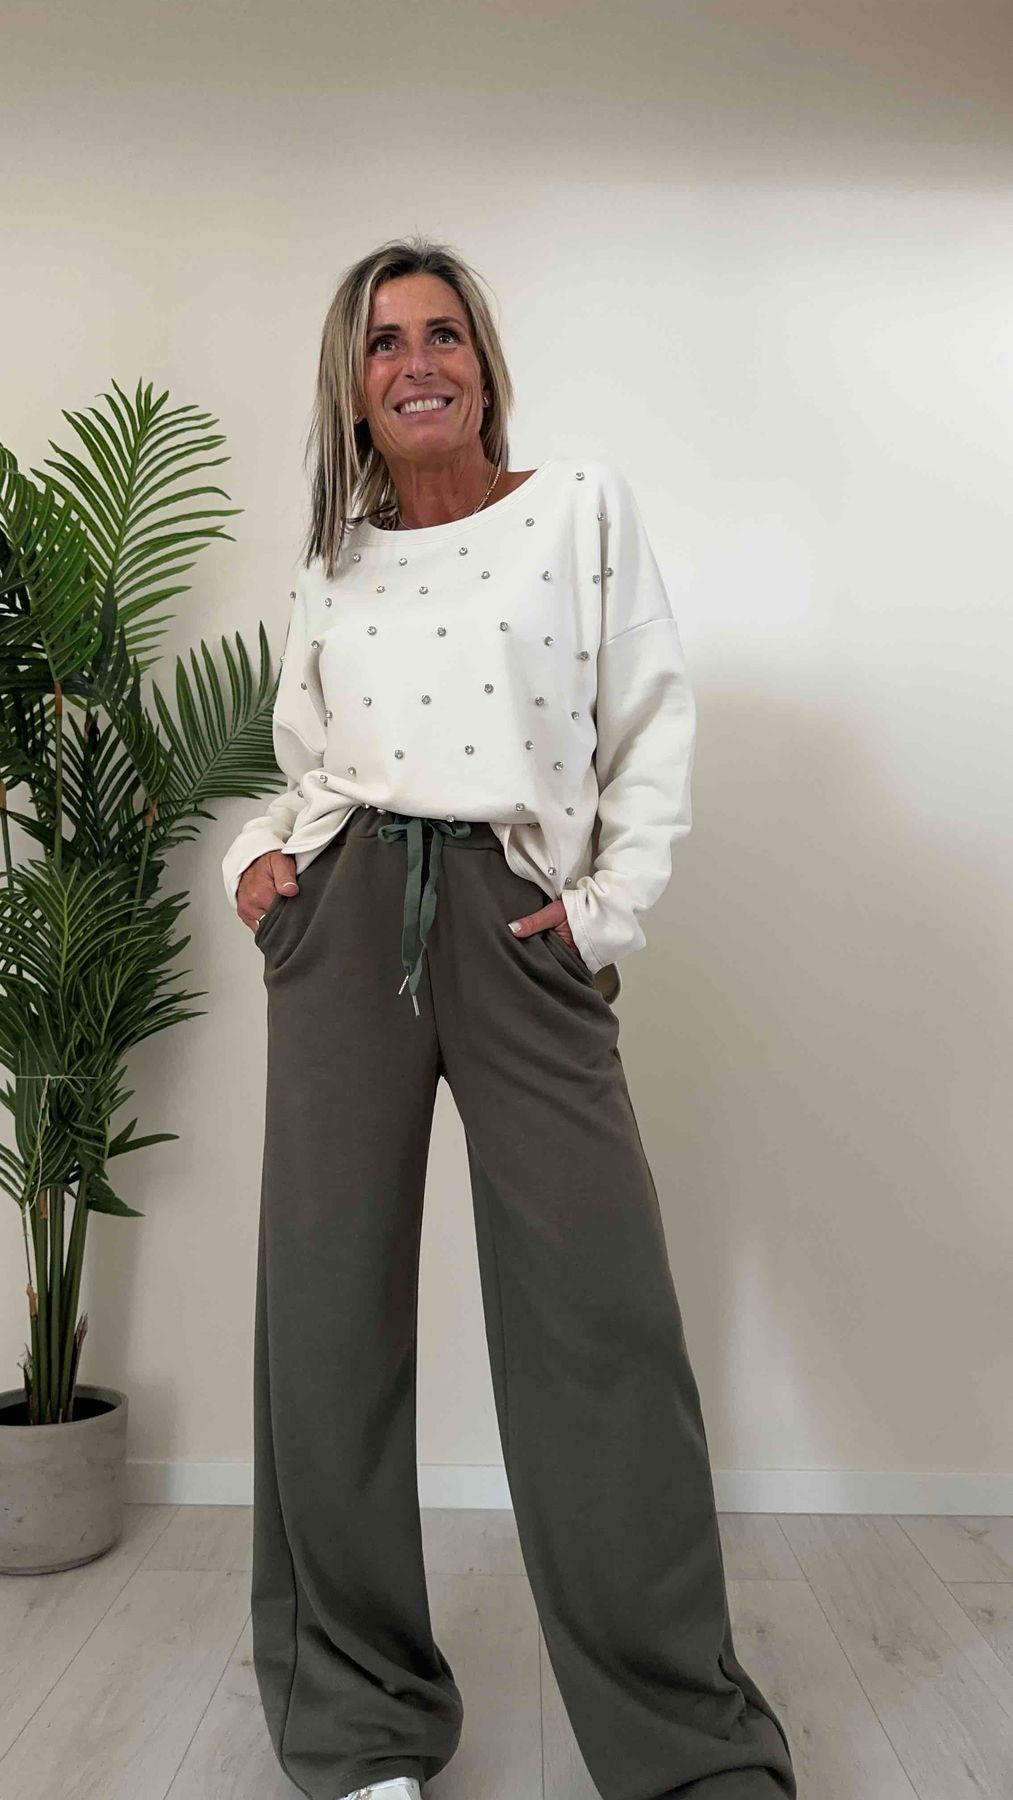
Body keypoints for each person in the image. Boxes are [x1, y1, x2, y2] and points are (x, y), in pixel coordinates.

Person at [222, 235, 797, 1800]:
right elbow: (306, 765)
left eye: (443, 333)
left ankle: (688, 1751)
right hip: (345, 918)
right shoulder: (332, 564)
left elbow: (648, 724)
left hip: (518, 914)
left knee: (602, 1324)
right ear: (350, 387)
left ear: (482, 363)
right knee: (326, 1324)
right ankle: (359, 1731)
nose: (417, 361)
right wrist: (257, 862)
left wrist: (603, 912)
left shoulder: (577, 511)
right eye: (384, 341)